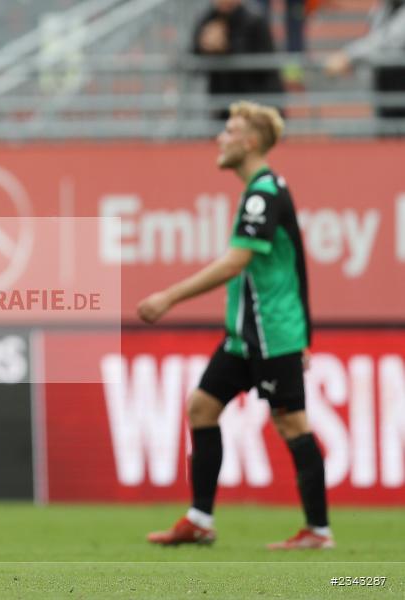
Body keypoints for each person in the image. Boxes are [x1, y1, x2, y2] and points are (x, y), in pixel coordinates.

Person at [138, 101, 332, 550]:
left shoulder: (264, 194)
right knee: (201, 408)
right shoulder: (262, 191)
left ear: (251, 141)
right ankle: (199, 520)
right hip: (246, 336)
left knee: (292, 424)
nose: (220, 139)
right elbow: (297, 264)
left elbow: (235, 261)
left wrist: (168, 297)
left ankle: (318, 531)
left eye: (229, 131)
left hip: (272, 334)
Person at [192, 0, 285, 121]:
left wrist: (225, 46)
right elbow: (193, 57)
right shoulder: (207, 19)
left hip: (255, 102)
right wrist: (204, 46)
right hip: (223, 103)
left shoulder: (254, 19)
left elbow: (263, 64)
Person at [324, 0, 405, 119]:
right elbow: (374, 37)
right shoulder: (383, 8)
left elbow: (387, 40)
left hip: (399, 85)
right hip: (386, 85)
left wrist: (348, 56)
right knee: (387, 123)